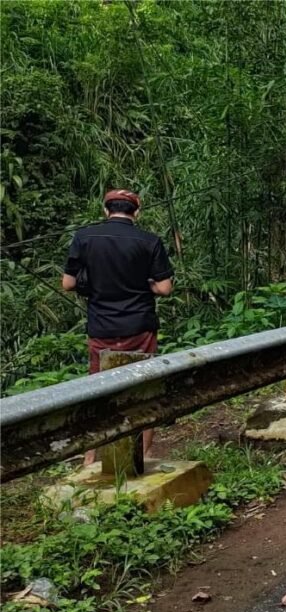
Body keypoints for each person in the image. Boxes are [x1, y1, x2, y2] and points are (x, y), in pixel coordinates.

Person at [61, 189, 174, 465]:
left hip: (101, 329)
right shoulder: (149, 241)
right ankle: (144, 455)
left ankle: (90, 458)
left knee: (99, 391)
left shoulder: (84, 238)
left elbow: (68, 283)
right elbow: (164, 287)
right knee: (143, 389)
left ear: (106, 210)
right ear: (136, 212)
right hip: (140, 326)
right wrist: (142, 283)